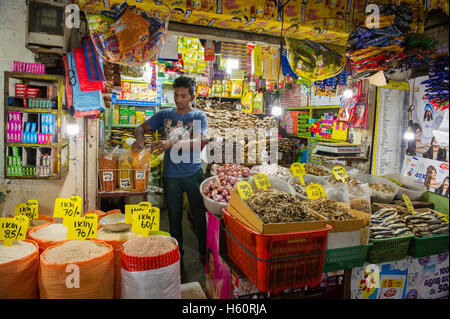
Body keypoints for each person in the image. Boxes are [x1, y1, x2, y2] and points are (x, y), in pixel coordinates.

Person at [132, 76, 208, 264]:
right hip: (171, 176)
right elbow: (140, 128)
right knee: (173, 218)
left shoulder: (198, 116)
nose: (179, 99)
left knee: (199, 217)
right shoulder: (164, 114)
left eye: (183, 96)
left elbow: (198, 143)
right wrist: (140, 139)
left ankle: (204, 254)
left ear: (192, 97)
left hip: (193, 173)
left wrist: (170, 143)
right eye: (176, 95)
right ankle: (177, 255)